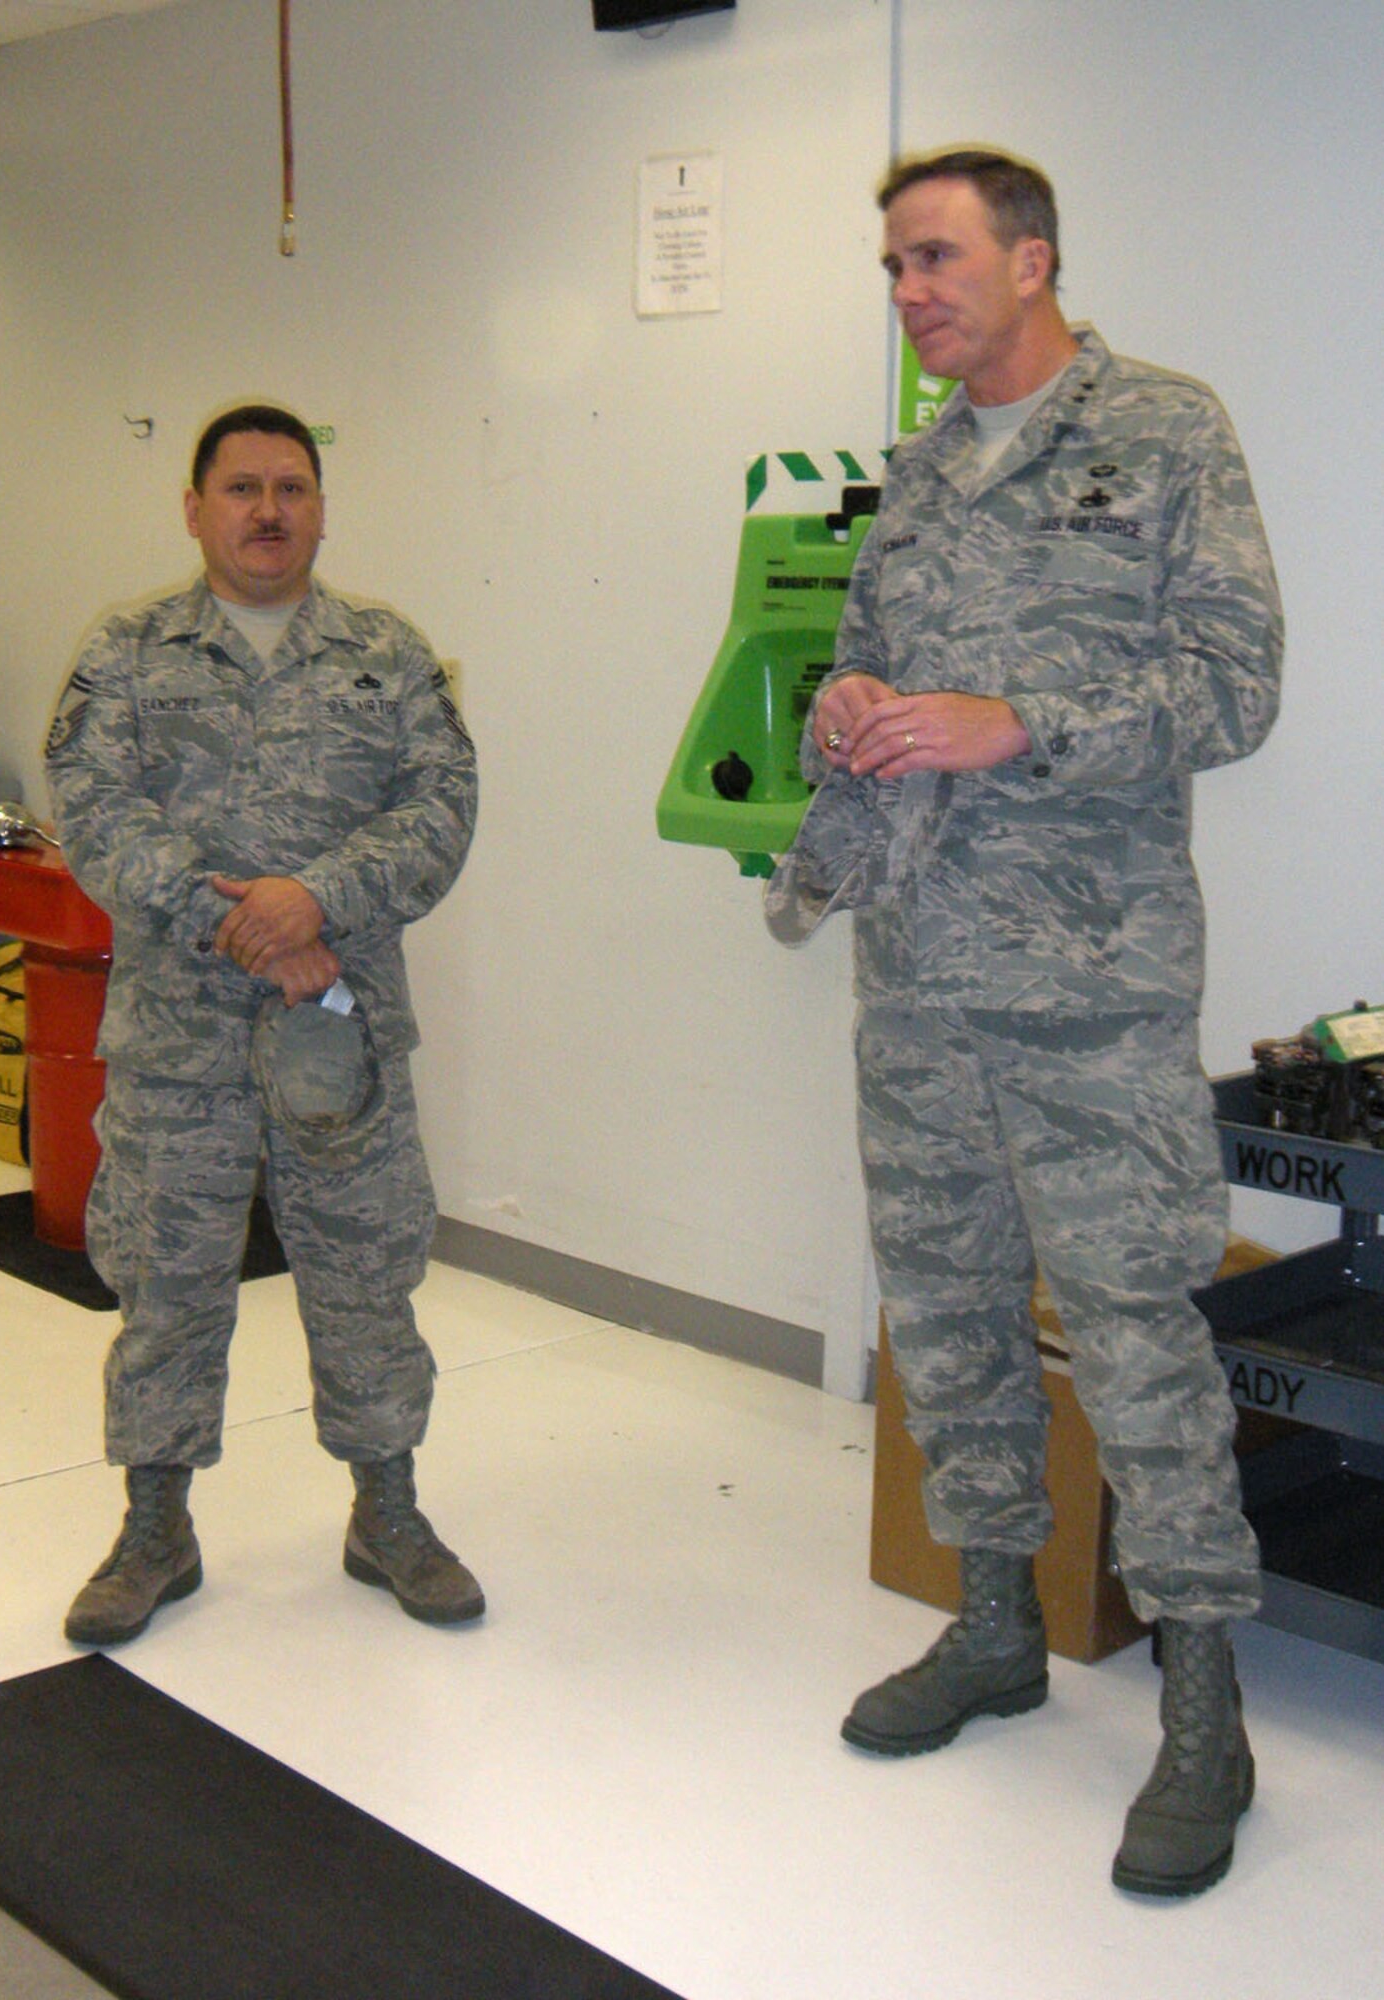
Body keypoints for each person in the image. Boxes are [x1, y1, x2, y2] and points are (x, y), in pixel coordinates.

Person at [771, 150, 1282, 1897]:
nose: (906, 292)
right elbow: (861, 654)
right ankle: (993, 1625)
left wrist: (1019, 723)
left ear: (1030, 259)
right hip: (915, 970)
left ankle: (1202, 1709)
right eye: (891, 266)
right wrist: (849, 707)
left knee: (1134, 1333)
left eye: (931, 258)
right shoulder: (916, 471)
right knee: (946, 1308)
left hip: (1090, 988)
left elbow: (1232, 685)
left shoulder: (1162, 430)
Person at [45, 403, 483, 1647]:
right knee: (166, 1283)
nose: (268, 511)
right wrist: (241, 921)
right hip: (177, 1043)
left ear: (321, 509)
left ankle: (388, 1512)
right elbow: (95, 810)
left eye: (292, 487)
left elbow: (443, 807)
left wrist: (317, 900)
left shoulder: (385, 654)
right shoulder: (128, 653)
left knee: (365, 1276)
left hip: (340, 1039)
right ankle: (155, 1529)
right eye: (241, 488)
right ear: (195, 509)